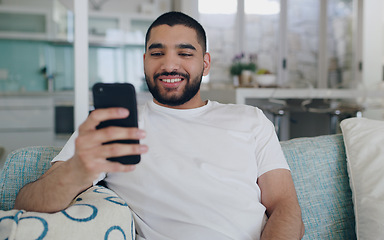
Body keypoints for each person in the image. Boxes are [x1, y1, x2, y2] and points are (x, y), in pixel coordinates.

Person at [14, 11, 304, 239]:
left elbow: (284, 206)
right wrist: (78, 170)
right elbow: (28, 202)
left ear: (205, 63)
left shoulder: (250, 120)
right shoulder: (112, 124)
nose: (169, 65)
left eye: (185, 53)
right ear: (144, 62)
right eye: (157, 53)